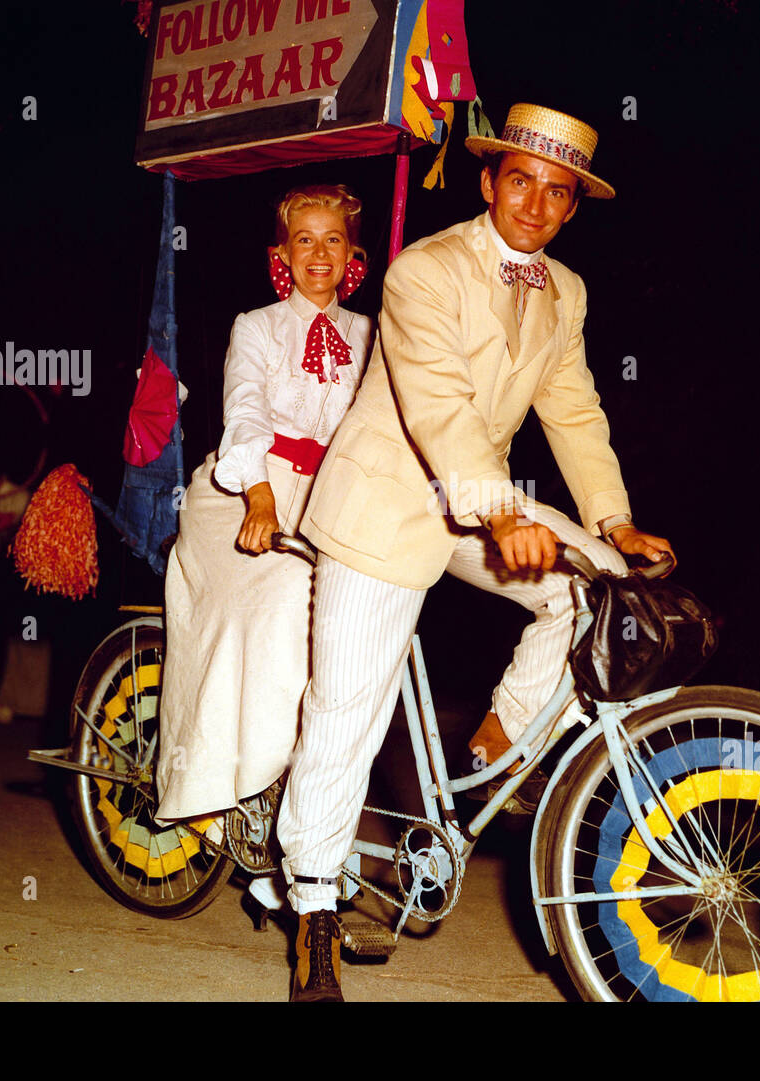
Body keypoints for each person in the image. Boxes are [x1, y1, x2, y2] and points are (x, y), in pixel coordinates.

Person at [275, 104, 674, 1002]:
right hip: (386, 499)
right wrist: (500, 514)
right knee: (347, 710)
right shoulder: (424, 271)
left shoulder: (564, 291)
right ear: (490, 181)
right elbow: (441, 407)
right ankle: (313, 911)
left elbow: (572, 409)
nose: (534, 204)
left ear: (573, 208)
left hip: (474, 498)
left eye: (557, 192)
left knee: (605, 590)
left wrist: (613, 521)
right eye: (520, 181)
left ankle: (499, 744)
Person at [154, 185, 372, 865]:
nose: (318, 253)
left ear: (352, 255)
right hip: (245, 488)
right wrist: (258, 497)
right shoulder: (256, 326)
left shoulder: (371, 334)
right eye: (303, 239)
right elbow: (244, 413)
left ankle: (306, 793)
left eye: (332, 239)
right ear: (281, 254)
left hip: (325, 498)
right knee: (282, 598)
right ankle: (220, 779)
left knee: (356, 621)